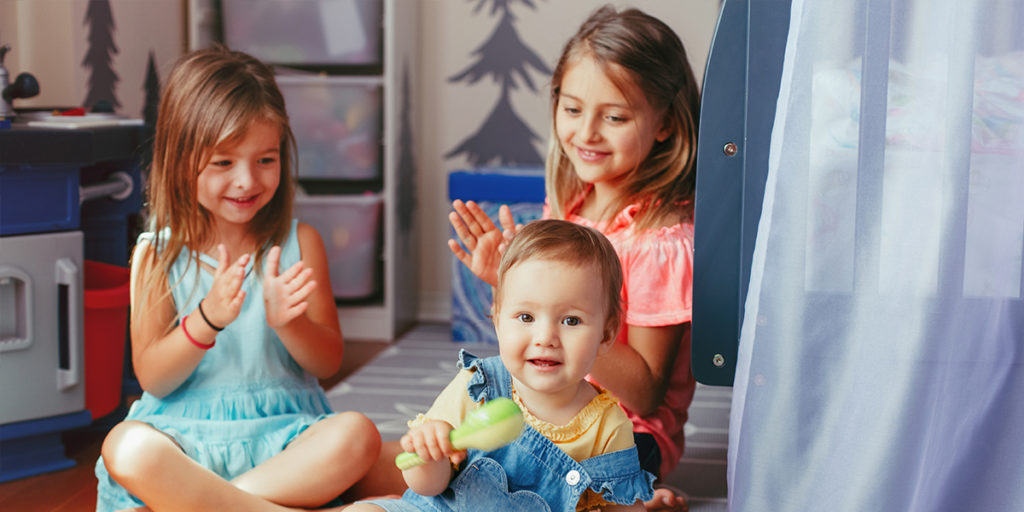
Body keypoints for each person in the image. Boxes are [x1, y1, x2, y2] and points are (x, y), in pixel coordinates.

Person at [95, 46, 380, 512]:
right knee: (125, 446)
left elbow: (328, 361)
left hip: (283, 443)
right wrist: (205, 319)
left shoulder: (300, 243)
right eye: (224, 163)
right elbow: (153, 377)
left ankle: (211, 505)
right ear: (180, 159)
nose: (247, 181)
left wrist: (289, 323)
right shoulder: (157, 254)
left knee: (356, 434)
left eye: (265, 160)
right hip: (183, 446)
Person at [447, 5, 698, 511]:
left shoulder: (661, 240)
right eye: (573, 108)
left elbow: (646, 394)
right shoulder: (571, 206)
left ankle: (623, 499)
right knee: (435, 443)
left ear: (666, 124)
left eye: (615, 116)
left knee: (477, 472)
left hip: (621, 438)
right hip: (547, 400)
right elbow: (536, 330)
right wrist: (509, 282)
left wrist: (571, 308)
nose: (586, 133)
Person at [349, 219, 653, 512]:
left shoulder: (607, 426)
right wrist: (429, 455)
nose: (545, 337)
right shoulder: (478, 385)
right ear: (497, 321)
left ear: (607, 334)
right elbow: (428, 487)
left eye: (571, 320)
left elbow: (623, 505)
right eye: (526, 317)